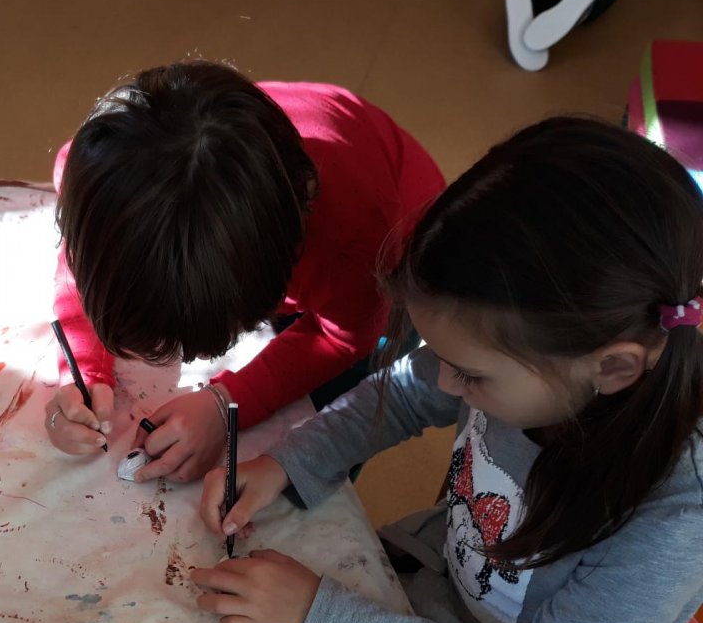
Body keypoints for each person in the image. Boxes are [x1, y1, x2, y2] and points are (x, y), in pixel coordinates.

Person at [193, 117, 703, 623]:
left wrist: (317, 616)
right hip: (461, 572)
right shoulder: (525, 357)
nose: (446, 383)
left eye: (471, 376)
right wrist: (289, 462)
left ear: (613, 368)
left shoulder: (672, 525)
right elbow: (406, 392)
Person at [44, 60, 445, 482]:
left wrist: (227, 403)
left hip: (401, 265)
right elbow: (85, 260)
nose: (188, 358)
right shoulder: (94, 170)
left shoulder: (359, 239)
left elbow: (341, 339)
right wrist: (82, 371)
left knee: (324, 442)